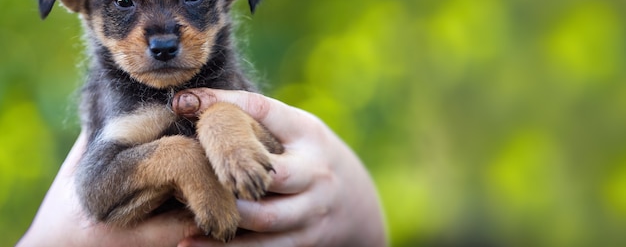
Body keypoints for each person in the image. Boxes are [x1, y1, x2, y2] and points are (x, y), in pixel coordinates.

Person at [17, 88, 388, 247]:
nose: (162, 37)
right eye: (124, 3)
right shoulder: (114, 100)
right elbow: (96, 194)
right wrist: (180, 158)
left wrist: (356, 197)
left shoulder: (232, 95)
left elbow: (272, 163)